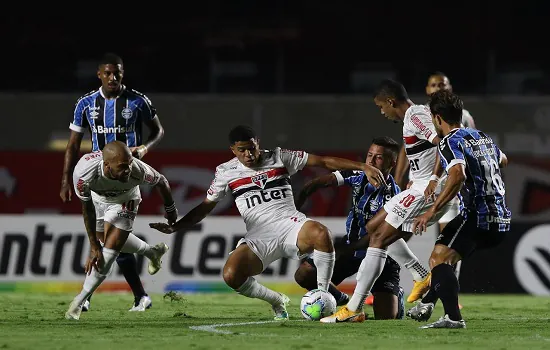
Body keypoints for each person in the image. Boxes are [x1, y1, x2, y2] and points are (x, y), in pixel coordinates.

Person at [149, 125, 387, 320]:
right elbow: (205, 207)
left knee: (321, 234)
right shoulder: (225, 172)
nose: (249, 155)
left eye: (252, 148)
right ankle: (277, 300)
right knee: (232, 275)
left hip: (290, 223)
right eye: (242, 150)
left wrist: (362, 166)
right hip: (259, 235)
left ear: (258, 142)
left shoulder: (279, 156)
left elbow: (323, 161)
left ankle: (324, 297)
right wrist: (177, 226)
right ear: (233, 150)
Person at [320, 79, 452, 323]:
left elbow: (445, 142)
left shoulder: (415, 115)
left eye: (381, 107)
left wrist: (432, 177)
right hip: (420, 185)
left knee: (378, 237)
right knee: (373, 228)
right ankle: (420, 274)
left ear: (391, 102)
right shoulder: (416, 116)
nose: (382, 112)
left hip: (428, 189)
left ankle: (354, 307)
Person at [59, 53, 165, 312]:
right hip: (98, 179)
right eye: (107, 73)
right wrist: (65, 178)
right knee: (107, 242)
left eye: (117, 72)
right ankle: (142, 290)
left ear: (122, 73)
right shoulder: (85, 103)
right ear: (99, 75)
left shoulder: (138, 101)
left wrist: (144, 148)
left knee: (108, 243)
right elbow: (73, 145)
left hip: (125, 179)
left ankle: (86, 298)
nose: (112, 77)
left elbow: (158, 130)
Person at [407, 90, 511, 329]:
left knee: (438, 259)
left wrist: (431, 211)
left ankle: (453, 317)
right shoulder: (482, 136)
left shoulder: (449, 141)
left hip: (477, 215)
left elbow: (457, 175)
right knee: (447, 256)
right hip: (501, 217)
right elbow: (503, 160)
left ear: (437, 118)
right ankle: (428, 303)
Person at [293, 136, 405, 320]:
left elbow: (377, 233)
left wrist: (349, 248)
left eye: (378, 157)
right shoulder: (358, 176)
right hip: (352, 251)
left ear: (391, 163)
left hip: (382, 257)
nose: (371, 160)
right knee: (304, 274)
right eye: (369, 155)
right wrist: (304, 193)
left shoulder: (395, 195)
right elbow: (322, 181)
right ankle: (343, 300)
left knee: (386, 318)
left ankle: (396, 296)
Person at [65, 141, 176, 320]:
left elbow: (161, 181)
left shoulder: (138, 170)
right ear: (106, 165)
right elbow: (87, 209)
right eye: (123, 167)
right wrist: (93, 245)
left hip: (126, 199)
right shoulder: (84, 173)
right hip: (98, 201)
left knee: (109, 252)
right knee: (104, 242)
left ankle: (78, 302)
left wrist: (171, 209)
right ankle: (152, 252)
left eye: (129, 164)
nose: (128, 170)